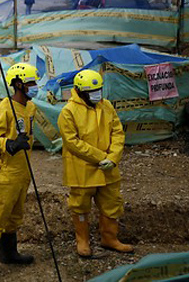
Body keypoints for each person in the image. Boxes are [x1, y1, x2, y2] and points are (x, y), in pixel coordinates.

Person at [57, 69, 134, 258]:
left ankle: (109, 238)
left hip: (109, 168)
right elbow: (72, 142)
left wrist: (113, 158)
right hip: (82, 169)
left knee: (112, 203)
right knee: (80, 205)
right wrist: (102, 157)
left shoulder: (106, 106)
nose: (96, 95)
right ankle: (82, 240)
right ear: (79, 91)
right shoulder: (68, 112)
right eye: (92, 92)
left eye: (98, 89)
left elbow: (117, 133)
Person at [0, 63, 39, 282]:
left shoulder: (30, 108)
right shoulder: (4, 109)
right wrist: (8, 145)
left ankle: (9, 254)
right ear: (19, 84)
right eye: (31, 83)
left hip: (22, 172)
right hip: (5, 175)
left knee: (14, 215)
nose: (35, 87)